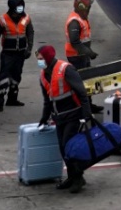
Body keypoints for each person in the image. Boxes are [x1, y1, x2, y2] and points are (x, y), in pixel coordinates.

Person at [36, 45, 90, 193]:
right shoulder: (43, 75)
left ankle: (78, 178)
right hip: (59, 117)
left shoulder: (66, 69)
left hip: (73, 114)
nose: (39, 62)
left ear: (47, 58)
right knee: (62, 148)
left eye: (40, 59)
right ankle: (72, 177)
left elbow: (82, 92)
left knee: (69, 146)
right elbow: (48, 100)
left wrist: (86, 115)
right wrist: (44, 117)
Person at [0, 0, 34, 113]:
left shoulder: (26, 18)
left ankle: (12, 99)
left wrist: (29, 49)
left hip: (21, 53)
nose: (20, 10)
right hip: (8, 54)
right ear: (12, 8)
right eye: (18, 8)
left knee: (16, 76)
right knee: (3, 78)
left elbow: (30, 33)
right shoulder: (2, 19)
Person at [65, 0, 98, 69]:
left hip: (82, 54)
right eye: (88, 7)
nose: (89, 9)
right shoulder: (74, 22)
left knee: (87, 74)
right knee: (82, 77)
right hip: (76, 56)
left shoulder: (81, 17)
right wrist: (89, 53)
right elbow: (75, 42)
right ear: (82, 8)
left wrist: (88, 52)